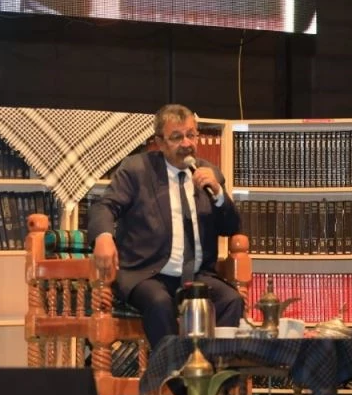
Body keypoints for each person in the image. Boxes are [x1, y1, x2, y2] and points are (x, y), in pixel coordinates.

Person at [87, 104, 244, 352]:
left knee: (231, 300)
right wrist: (104, 237)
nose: (186, 143)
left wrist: (219, 195)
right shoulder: (137, 170)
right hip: (148, 273)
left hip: (196, 276)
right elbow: (105, 206)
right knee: (159, 302)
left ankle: (214, 369)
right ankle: (175, 373)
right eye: (176, 137)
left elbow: (232, 227)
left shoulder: (210, 173)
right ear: (159, 142)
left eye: (191, 135)